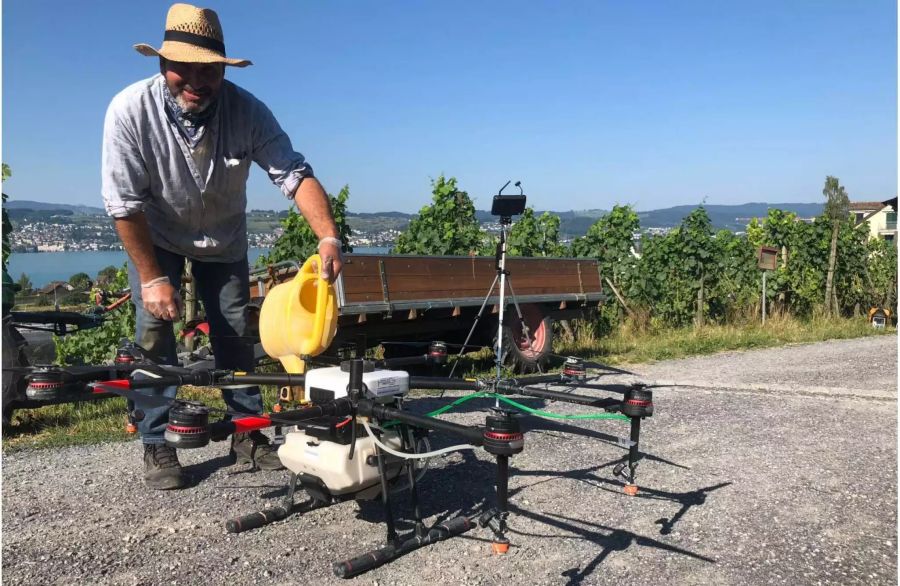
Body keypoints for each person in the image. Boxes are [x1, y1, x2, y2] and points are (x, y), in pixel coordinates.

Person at [101, 3, 343, 490]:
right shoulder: (129, 110)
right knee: (154, 337)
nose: (195, 79)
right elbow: (123, 205)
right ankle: (156, 440)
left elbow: (294, 174)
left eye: (207, 69)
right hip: (156, 237)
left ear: (221, 69)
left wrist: (328, 235)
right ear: (161, 64)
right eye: (182, 67)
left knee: (234, 333)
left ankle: (247, 433)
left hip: (224, 237)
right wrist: (152, 278)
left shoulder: (248, 111)